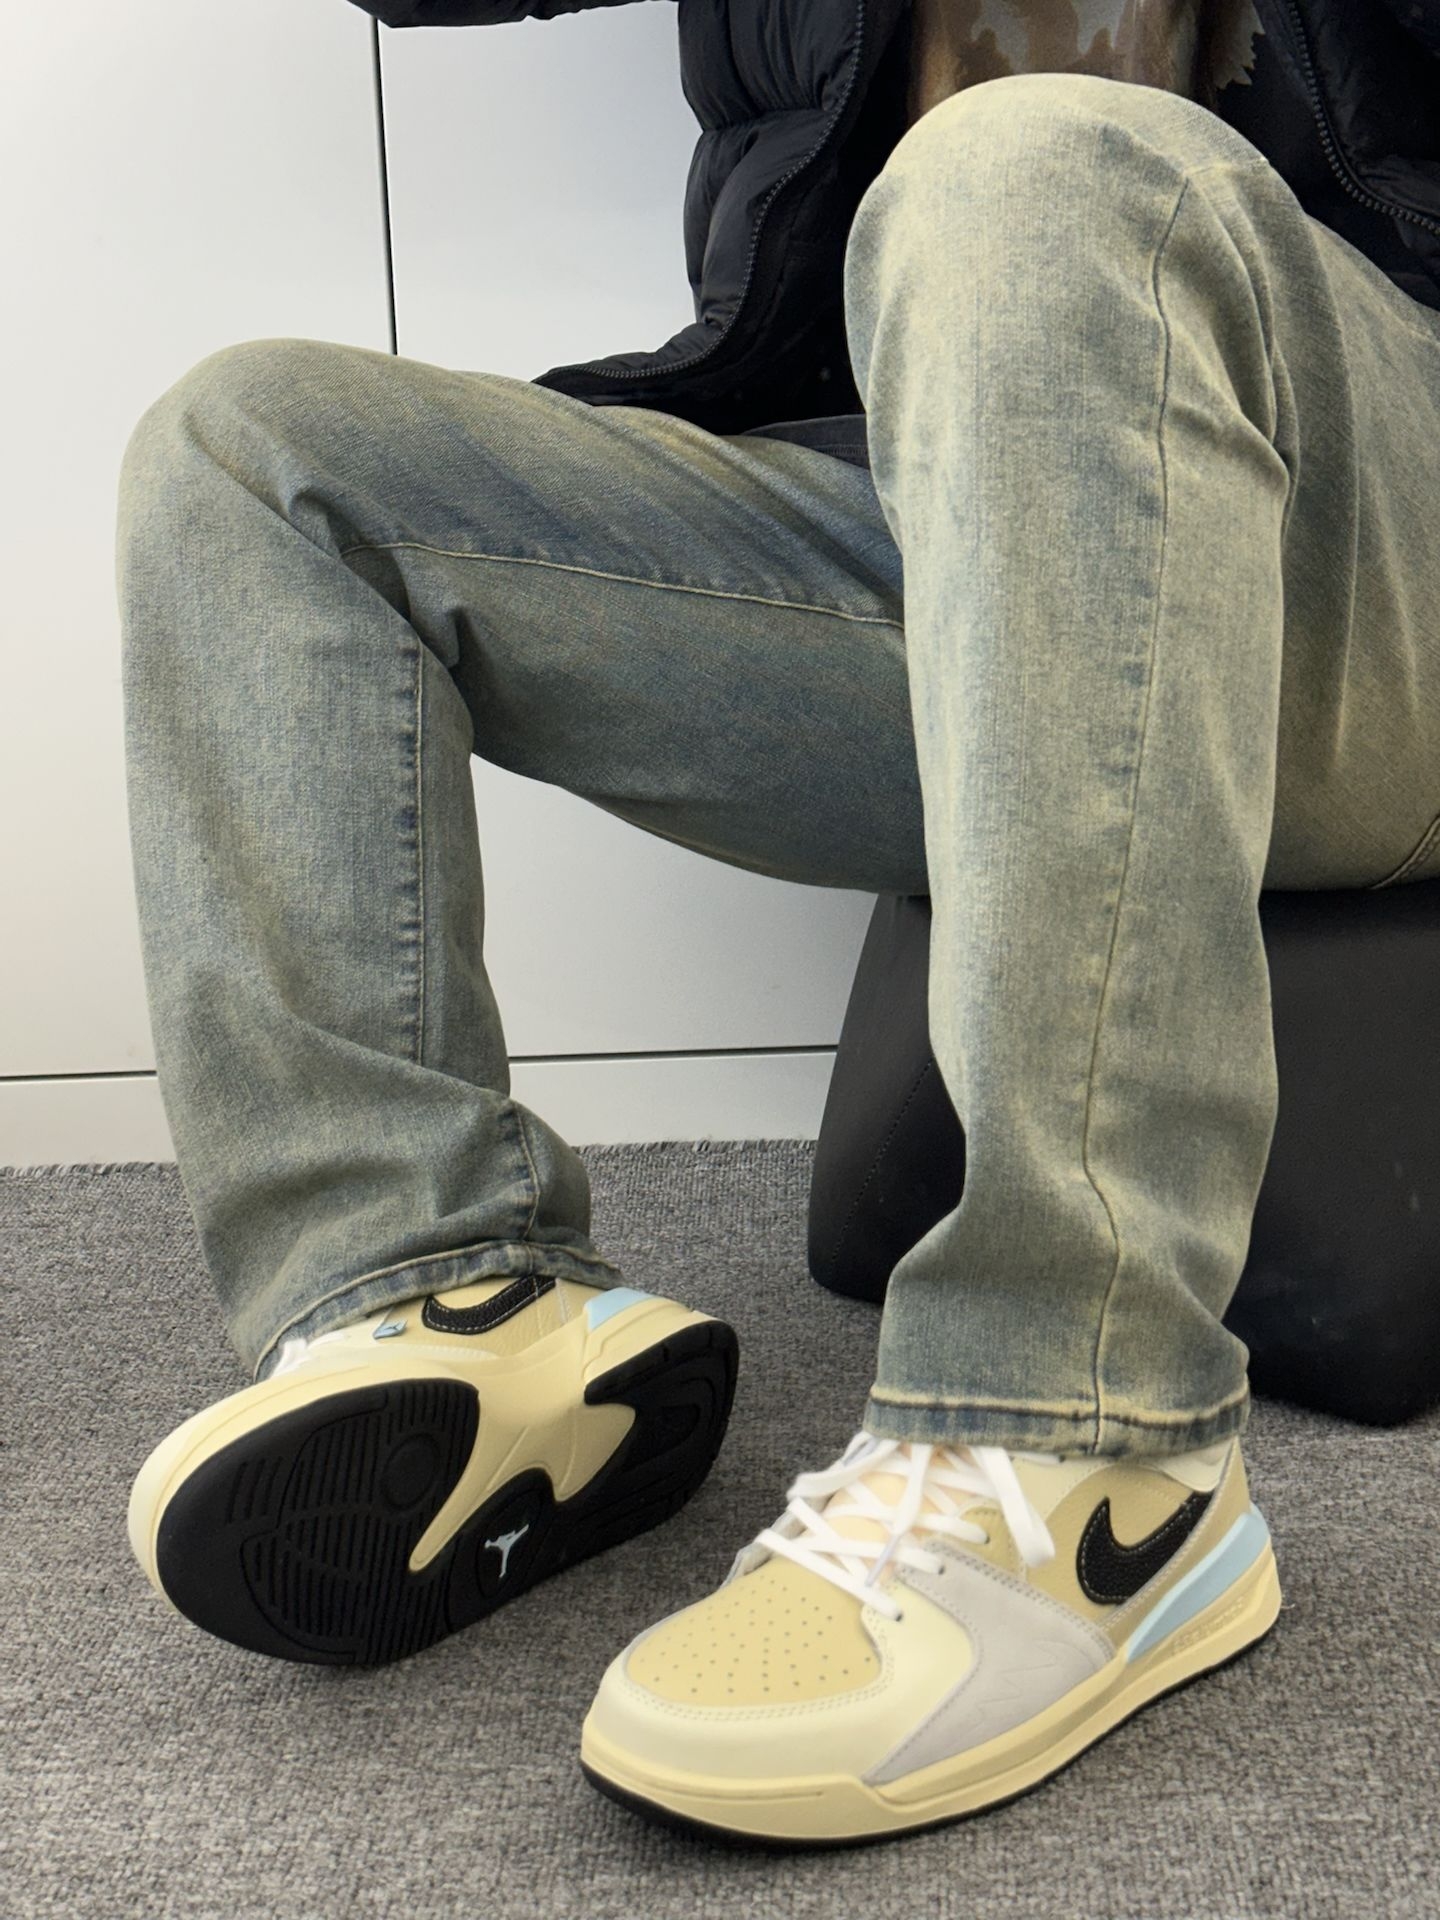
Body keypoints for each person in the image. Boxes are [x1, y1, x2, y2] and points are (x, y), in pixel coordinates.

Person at [115, 0, 1440, 1849]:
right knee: (253, 454)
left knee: (1035, 169)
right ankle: (440, 1289)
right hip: (941, 512)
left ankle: (1092, 1437)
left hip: (1373, 521)